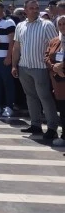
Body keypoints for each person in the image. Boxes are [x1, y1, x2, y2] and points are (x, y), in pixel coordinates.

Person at [14, 0, 59, 139]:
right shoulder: (20, 26)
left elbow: (55, 45)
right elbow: (17, 47)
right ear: (25, 10)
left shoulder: (46, 25)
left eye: (37, 8)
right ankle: (35, 124)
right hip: (24, 66)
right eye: (31, 8)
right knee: (30, 96)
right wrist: (14, 65)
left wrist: (52, 65)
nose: (35, 10)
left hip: (40, 67)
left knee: (45, 97)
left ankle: (52, 127)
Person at [45, 15, 65, 147]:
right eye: (60, 24)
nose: (62, 26)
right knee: (63, 110)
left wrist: (62, 65)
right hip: (58, 83)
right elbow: (46, 57)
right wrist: (53, 67)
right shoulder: (54, 41)